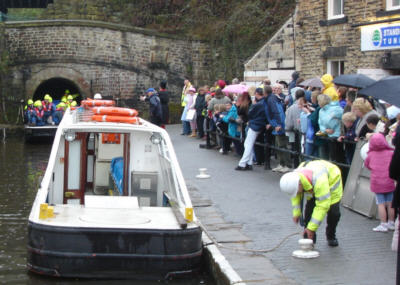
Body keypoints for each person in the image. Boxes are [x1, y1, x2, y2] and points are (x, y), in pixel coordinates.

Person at [280, 160, 343, 246]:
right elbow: (295, 196)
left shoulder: (319, 181)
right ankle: (309, 239)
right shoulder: (294, 178)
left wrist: (312, 228)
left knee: (334, 213)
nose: (297, 193)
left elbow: (322, 205)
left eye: (298, 191)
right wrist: (296, 213)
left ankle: (331, 235)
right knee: (309, 212)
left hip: (332, 181)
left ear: (300, 184)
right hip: (312, 183)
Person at [364, 133, 395, 232]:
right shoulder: (391, 153)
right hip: (390, 181)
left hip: (377, 182)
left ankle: (383, 224)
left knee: (381, 203)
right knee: (391, 203)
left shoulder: (371, 154)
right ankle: (391, 222)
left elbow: (367, 165)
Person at [235, 88, 267, 170]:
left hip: (255, 124)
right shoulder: (263, 103)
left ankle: (242, 163)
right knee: (249, 144)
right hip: (258, 124)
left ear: (257, 94)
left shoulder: (258, 104)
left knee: (248, 144)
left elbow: (250, 114)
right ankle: (249, 163)